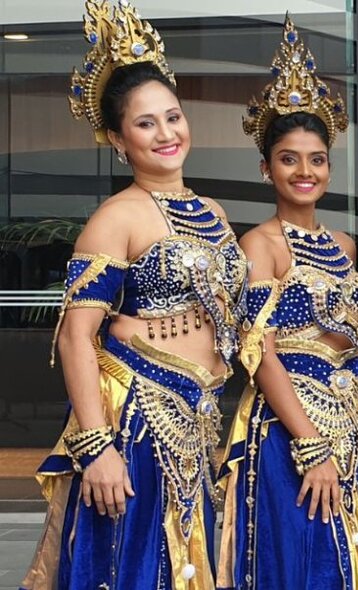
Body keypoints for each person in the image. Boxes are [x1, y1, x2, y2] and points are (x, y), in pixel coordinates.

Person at [21, 1, 248, 588]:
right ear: (119, 139)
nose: (166, 133)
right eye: (146, 123)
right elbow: (75, 334)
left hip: (196, 415)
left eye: (172, 117)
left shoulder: (212, 213)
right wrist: (96, 447)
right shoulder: (116, 218)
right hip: (135, 414)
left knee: (184, 559)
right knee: (134, 563)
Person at [216, 15, 358, 590]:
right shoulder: (259, 245)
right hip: (292, 430)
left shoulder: (345, 245)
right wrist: (309, 442)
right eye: (288, 159)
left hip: (350, 420)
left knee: (345, 560)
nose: (304, 171)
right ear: (266, 168)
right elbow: (257, 351)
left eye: (316, 159)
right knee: (299, 559)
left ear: (329, 166)